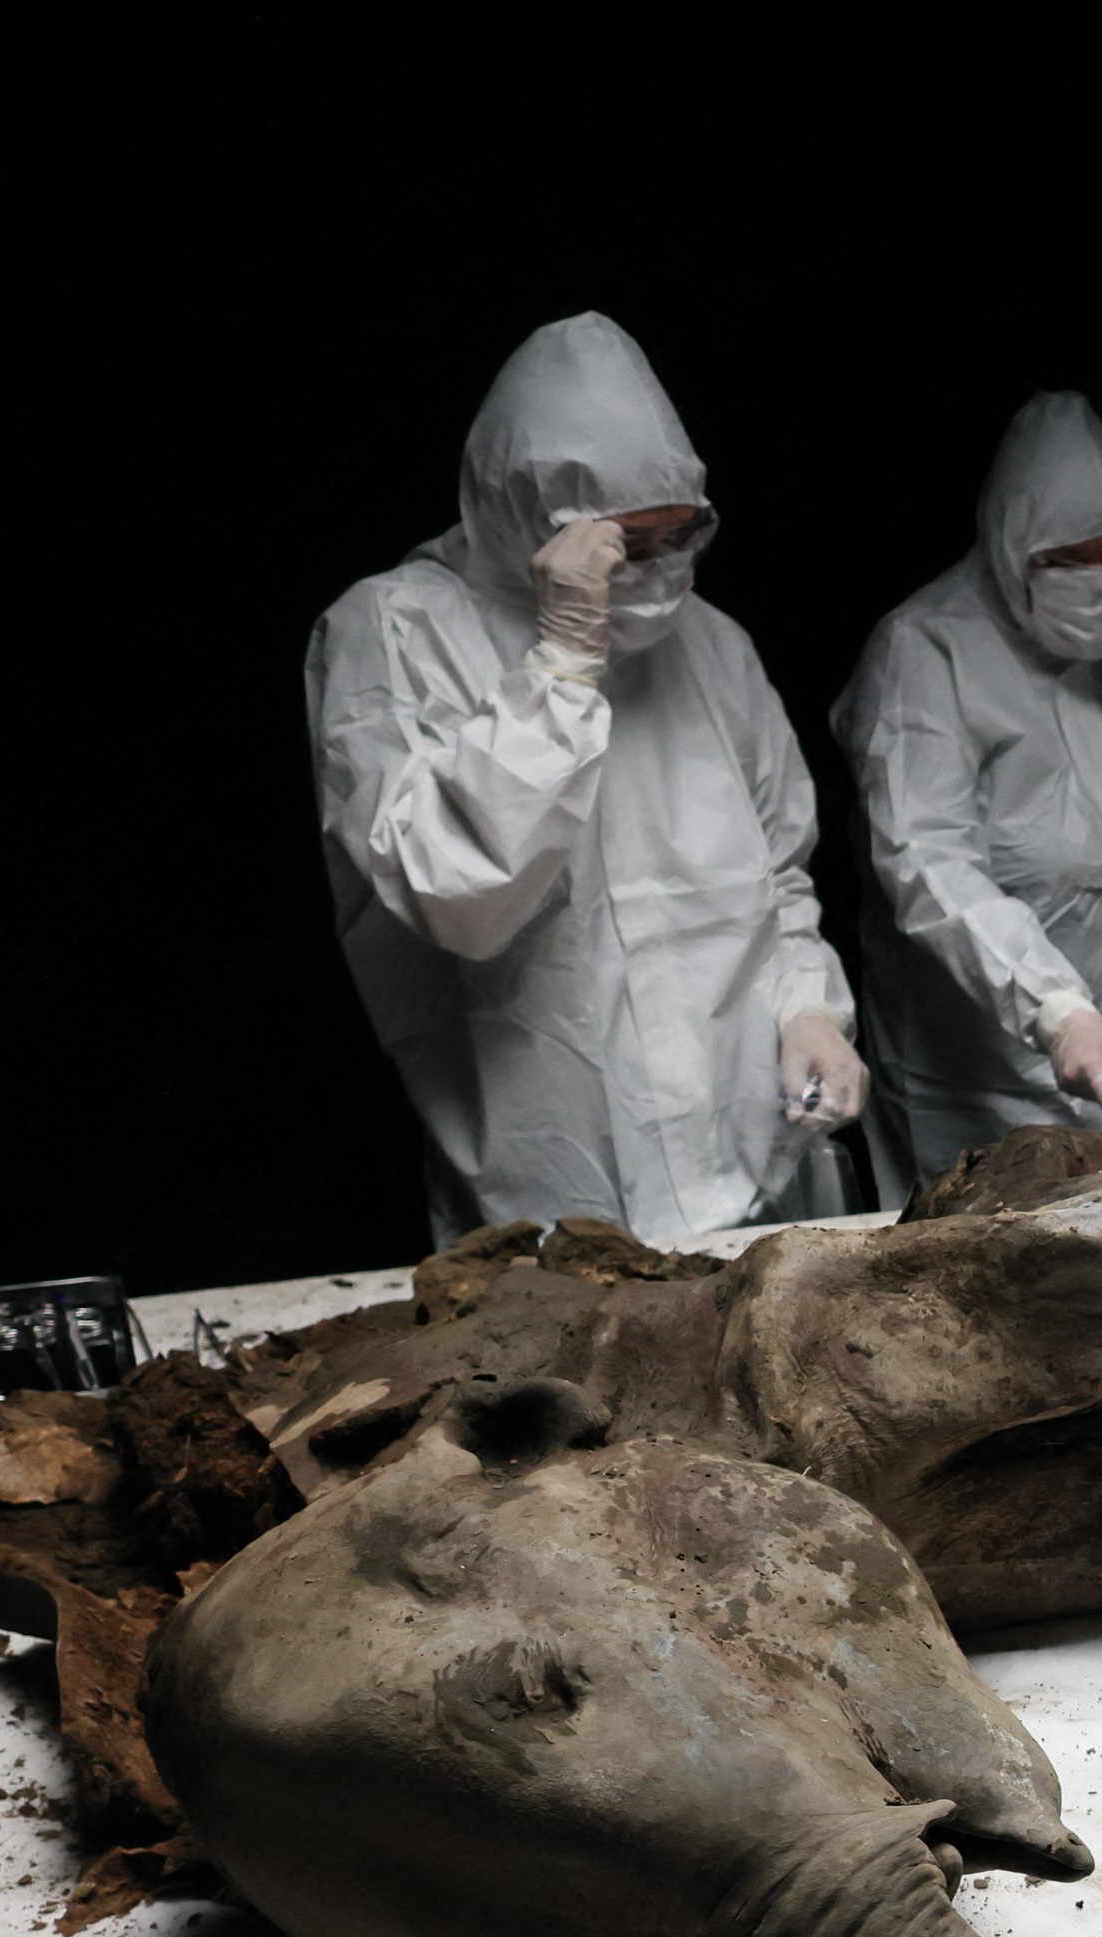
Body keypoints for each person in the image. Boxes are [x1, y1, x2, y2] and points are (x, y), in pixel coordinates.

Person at [307, 314, 864, 1249]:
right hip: (546, 1183)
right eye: (623, 545)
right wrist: (560, 665)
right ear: (528, 516)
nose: (651, 572)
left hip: (755, 1156)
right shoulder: (392, 632)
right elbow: (459, 895)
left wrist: (808, 1003)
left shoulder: (714, 646)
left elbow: (779, 873)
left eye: (675, 537)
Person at [830, 393, 1102, 1192]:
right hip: (984, 1102)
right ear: (1010, 543)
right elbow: (927, 861)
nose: (1099, 586)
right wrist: (1051, 1003)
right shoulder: (927, 651)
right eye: (1067, 560)